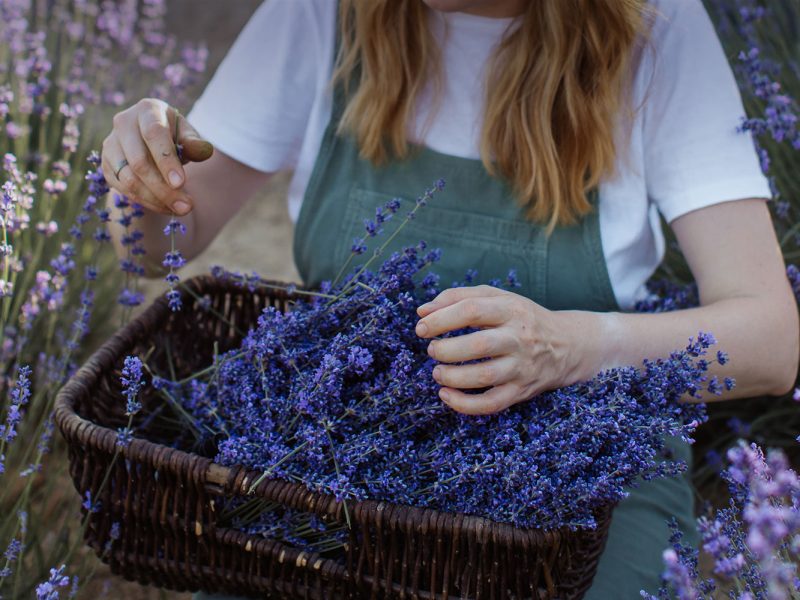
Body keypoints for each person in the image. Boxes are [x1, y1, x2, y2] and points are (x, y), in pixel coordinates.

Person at [102, 0, 799, 596]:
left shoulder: (655, 27)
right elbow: (154, 246)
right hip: (340, 454)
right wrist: (140, 176)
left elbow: (771, 338)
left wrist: (569, 349)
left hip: (584, 472)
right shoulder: (323, 12)